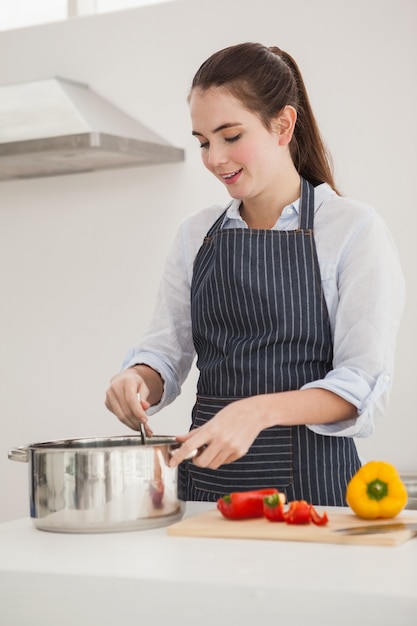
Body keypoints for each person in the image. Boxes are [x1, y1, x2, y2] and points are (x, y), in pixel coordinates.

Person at [105, 42, 405, 506]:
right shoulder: (196, 235)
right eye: (203, 141)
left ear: (283, 124)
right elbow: (165, 351)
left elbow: (360, 384)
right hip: (205, 497)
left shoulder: (351, 229)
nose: (214, 158)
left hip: (314, 498)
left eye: (230, 136)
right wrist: (136, 380)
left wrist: (259, 411)